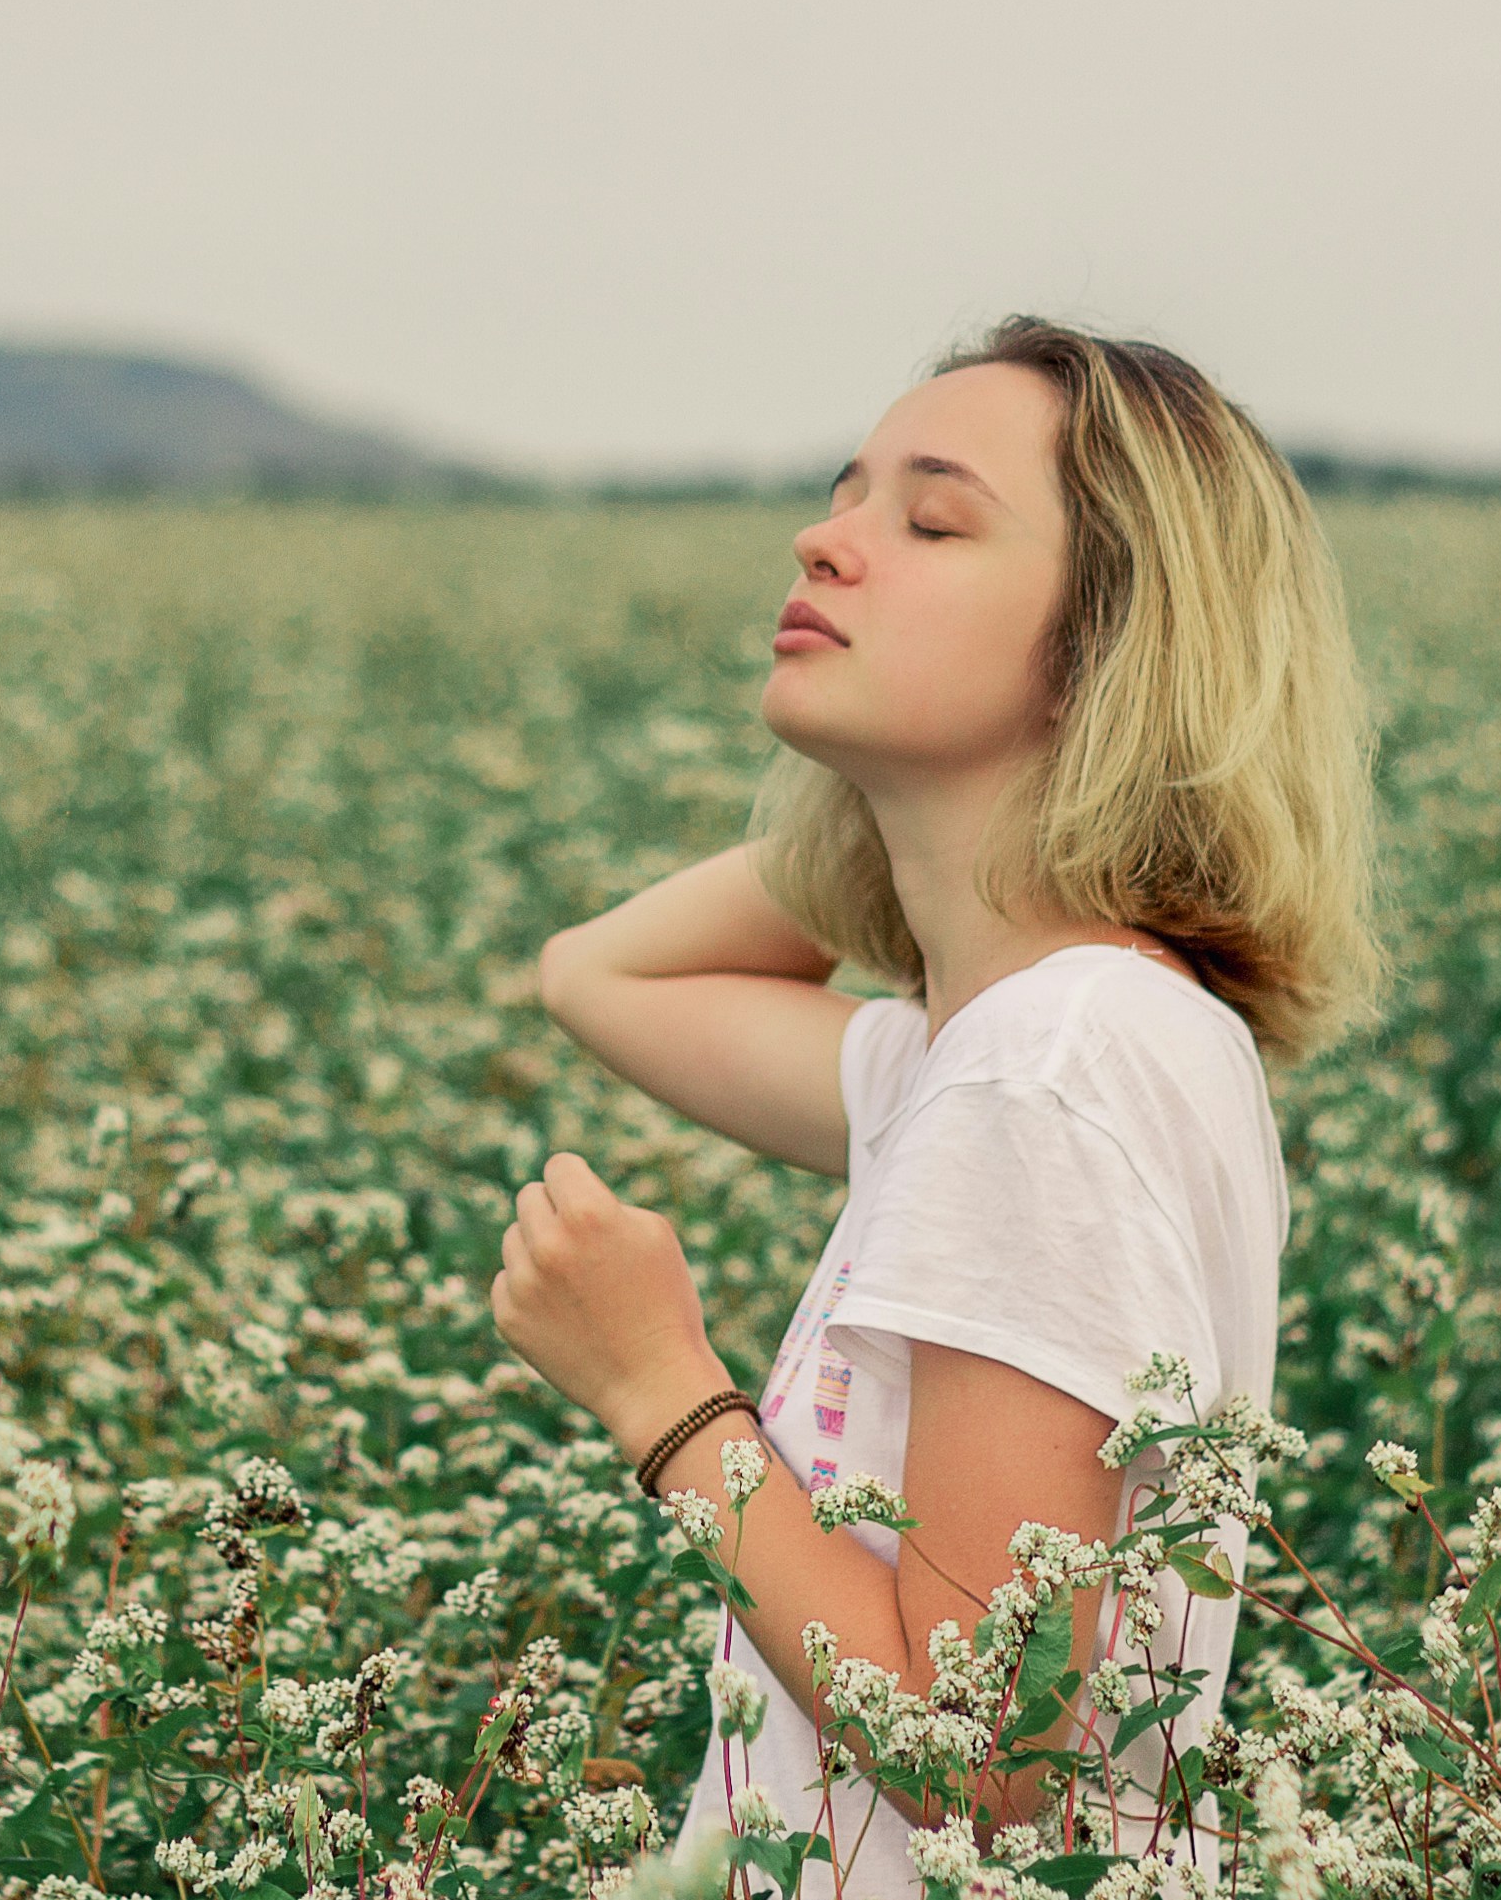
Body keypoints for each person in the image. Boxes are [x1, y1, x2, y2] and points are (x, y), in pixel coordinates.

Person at [489, 313, 1387, 1894]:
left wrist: (661, 1393)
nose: (825, 541)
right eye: (845, 494)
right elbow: (597, 978)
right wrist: (905, 816)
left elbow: (1002, 1762)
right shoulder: (1029, 1040)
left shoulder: (1047, 1076)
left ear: (1108, 641)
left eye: (933, 518)